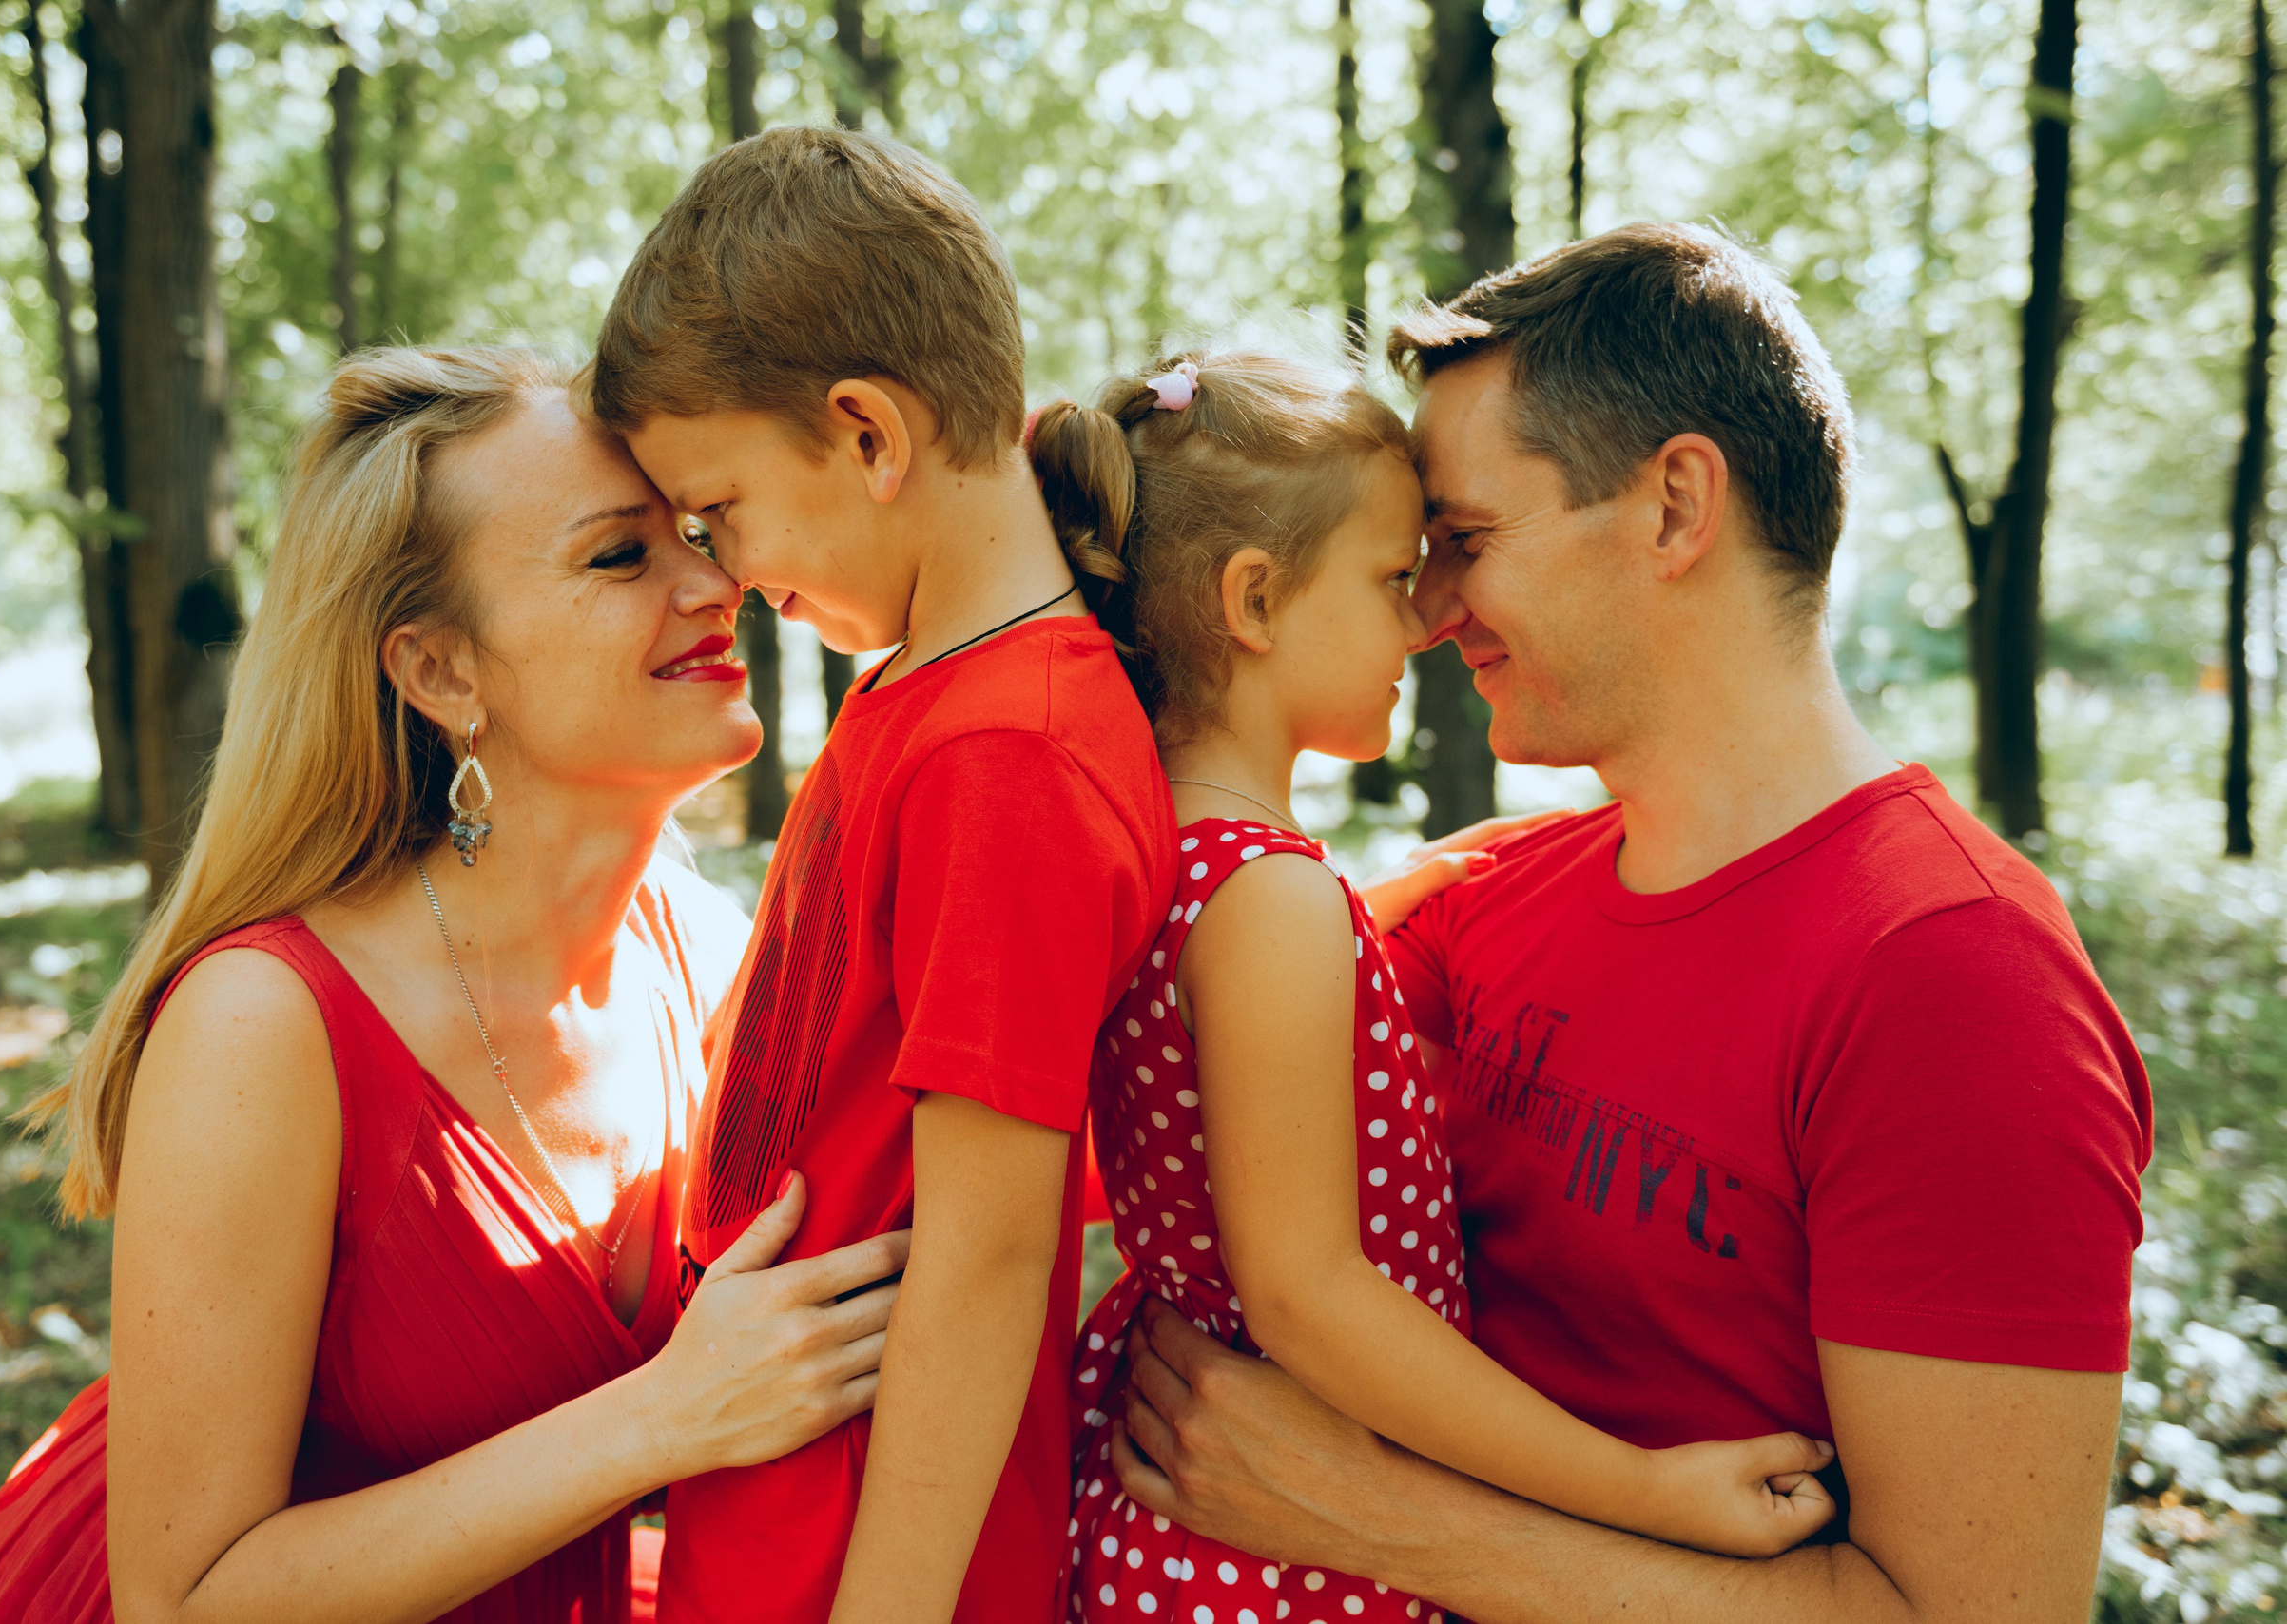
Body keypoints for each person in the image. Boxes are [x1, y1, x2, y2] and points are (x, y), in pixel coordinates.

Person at [1097, 224, 2155, 1623]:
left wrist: (1385, 1523)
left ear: (1674, 508)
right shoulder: (1469, 900)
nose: (1429, 612)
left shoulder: (1959, 980)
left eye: (1465, 542)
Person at [0, 346, 909, 1624]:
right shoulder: (262, 1027)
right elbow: (183, 1596)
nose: (719, 586)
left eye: (701, 536)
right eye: (620, 557)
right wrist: (661, 1422)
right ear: (441, 672)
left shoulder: (701, 953)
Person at [1030, 351, 1838, 1624]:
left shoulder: (1168, 856)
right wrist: (1644, 1492)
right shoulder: (1266, 899)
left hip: (1170, 1534)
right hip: (1280, 1562)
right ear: (1253, 600)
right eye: (1390, 576)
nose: (1423, 620)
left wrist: (1362, 906)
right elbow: (1309, 1297)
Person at [585, 126, 1174, 1624]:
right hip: (776, 1490)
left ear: (868, 435)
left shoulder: (1011, 758)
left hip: (882, 1558)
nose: (717, 574)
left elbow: (987, 1261)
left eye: (720, 512)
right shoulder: (926, 690)